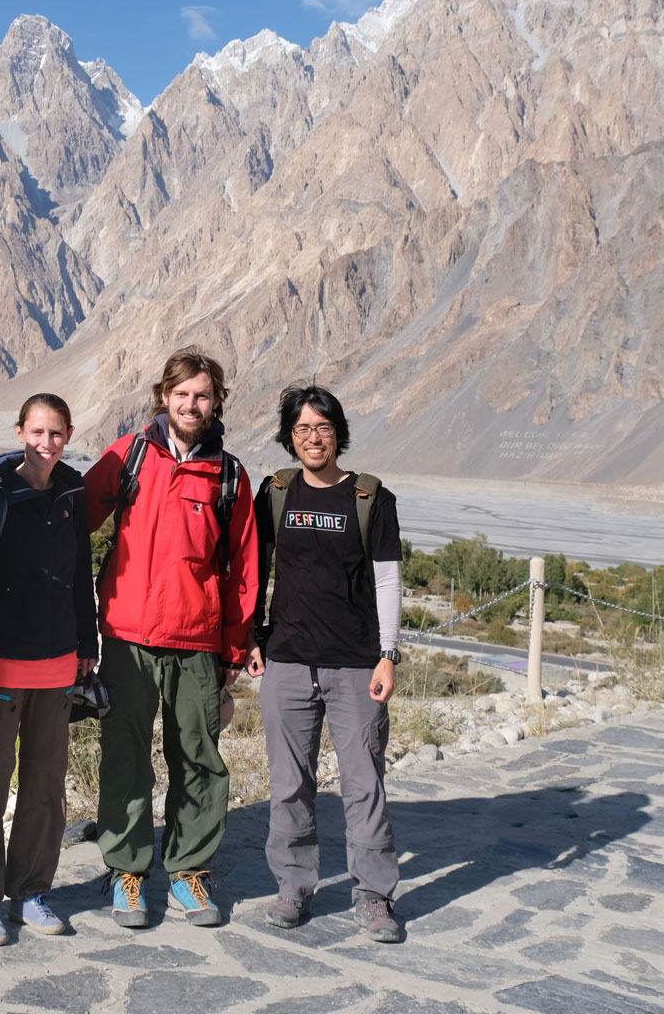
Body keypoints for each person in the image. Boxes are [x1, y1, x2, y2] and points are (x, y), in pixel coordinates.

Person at [83, 346, 257, 928]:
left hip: (198, 641)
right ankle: (127, 871)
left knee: (199, 759)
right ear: (163, 397)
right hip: (128, 636)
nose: (190, 404)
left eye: (202, 395)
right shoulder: (129, 456)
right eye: (181, 393)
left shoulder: (229, 475)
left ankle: (188, 874)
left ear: (216, 403)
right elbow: (72, 517)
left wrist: (234, 648)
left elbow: (244, 568)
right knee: (125, 755)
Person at [247, 384, 404, 942]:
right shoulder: (276, 492)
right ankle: (293, 887)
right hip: (288, 659)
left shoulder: (369, 498)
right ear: (289, 437)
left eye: (323, 427)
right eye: (302, 429)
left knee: (365, 784)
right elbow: (255, 568)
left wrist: (388, 655)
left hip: (356, 663)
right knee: (289, 782)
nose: (313, 439)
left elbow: (386, 578)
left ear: (338, 432)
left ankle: (374, 895)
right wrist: (251, 637)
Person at [0, 393, 99, 944]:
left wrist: (88, 643)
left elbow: (80, 568)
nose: (47, 443)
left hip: (59, 664)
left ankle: (32, 890)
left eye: (57, 434)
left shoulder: (72, 491)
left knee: (45, 785)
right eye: (38, 432)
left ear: (68, 435)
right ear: (20, 432)